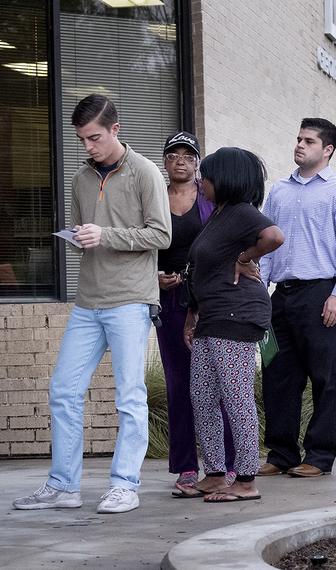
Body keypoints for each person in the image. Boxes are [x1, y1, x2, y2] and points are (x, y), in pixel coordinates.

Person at [13, 94, 171, 513]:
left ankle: (125, 484)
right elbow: (88, 232)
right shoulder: (81, 179)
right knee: (64, 390)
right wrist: (83, 236)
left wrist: (106, 235)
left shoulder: (146, 173)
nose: (88, 146)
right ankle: (63, 486)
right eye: (82, 139)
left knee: (129, 397)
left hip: (130, 300)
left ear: (115, 130)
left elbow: (161, 235)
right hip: (88, 301)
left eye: (95, 138)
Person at [175, 147, 284, 502]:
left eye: (204, 175)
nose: (199, 180)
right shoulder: (219, 216)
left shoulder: (241, 212)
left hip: (237, 315)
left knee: (236, 398)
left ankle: (247, 479)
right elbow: (202, 268)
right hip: (213, 315)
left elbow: (274, 237)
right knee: (203, 397)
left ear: (226, 179)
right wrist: (193, 313)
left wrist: (245, 257)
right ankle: (217, 473)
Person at [259, 118, 336, 478]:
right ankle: (281, 452)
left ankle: (318, 456)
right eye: (299, 138)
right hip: (281, 297)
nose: (300, 145)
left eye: (309, 141)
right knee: (277, 374)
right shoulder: (278, 191)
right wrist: (261, 289)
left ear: (327, 149)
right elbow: (267, 245)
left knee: (324, 377)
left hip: (323, 294)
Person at [155, 131, 236, 489]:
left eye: (188, 154)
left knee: (219, 383)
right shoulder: (153, 197)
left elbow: (229, 240)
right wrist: (152, 277)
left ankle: (229, 463)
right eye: (174, 154)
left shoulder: (210, 196)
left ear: (197, 161)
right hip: (170, 302)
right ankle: (187, 467)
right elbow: (141, 245)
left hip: (211, 301)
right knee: (179, 384)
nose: (181, 160)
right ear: (165, 161)